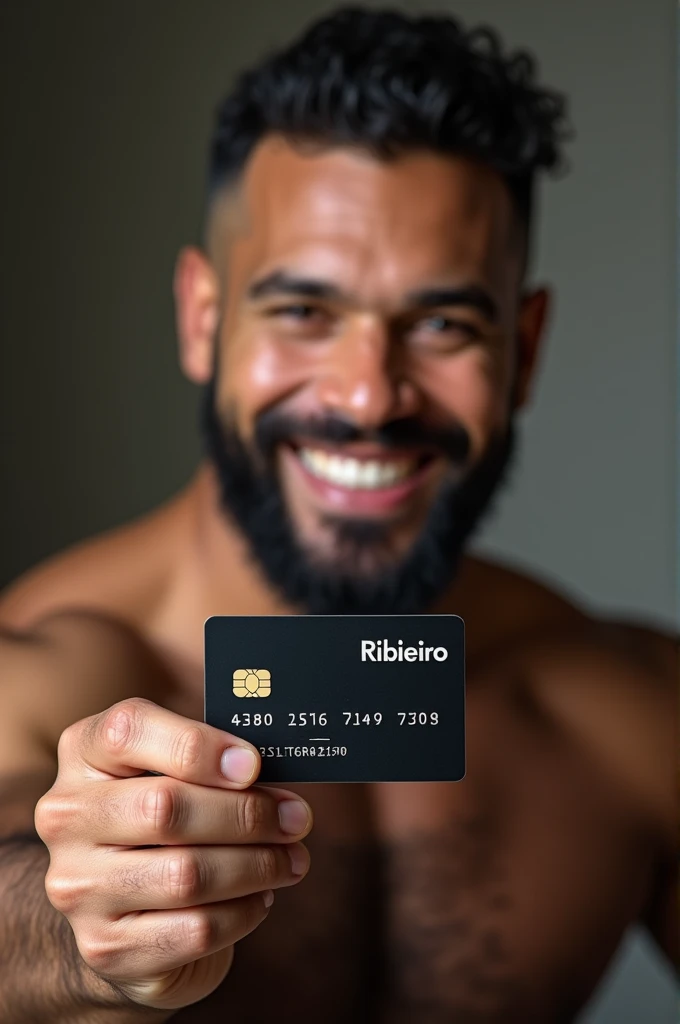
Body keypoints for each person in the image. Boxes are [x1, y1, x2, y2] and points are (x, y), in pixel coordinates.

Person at [0, 6, 675, 1023]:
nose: (368, 397)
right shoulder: (43, 675)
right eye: (303, 312)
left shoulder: (627, 712)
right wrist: (70, 930)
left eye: (441, 321)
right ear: (202, 317)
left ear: (523, 349)